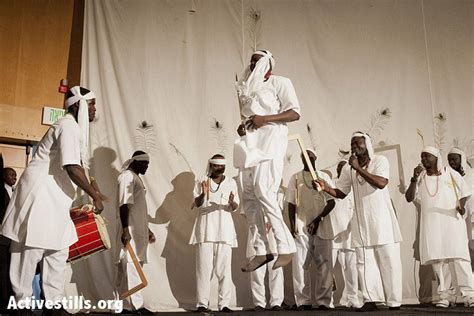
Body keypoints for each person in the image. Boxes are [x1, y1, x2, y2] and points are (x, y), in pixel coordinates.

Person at [0, 86, 104, 313]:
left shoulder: (74, 128)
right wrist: (94, 195)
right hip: (40, 195)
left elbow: (81, 166)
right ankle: (21, 304)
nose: (95, 109)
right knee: (30, 251)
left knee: (58, 251)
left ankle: (54, 304)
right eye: (92, 104)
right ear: (78, 105)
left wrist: (94, 188)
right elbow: (71, 166)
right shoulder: (67, 125)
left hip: (56, 198)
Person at [314, 131, 402, 311]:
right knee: (363, 261)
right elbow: (341, 192)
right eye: (352, 144)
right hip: (361, 222)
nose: (354, 147)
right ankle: (370, 299)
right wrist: (326, 188)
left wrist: (358, 168)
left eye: (358, 143)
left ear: (367, 144)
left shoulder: (380, 161)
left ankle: (394, 301)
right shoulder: (348, 168)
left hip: (381, 220)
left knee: (388, 261)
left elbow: (381, 183)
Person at [234, 50, 300, 272]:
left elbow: (294, 113)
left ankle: (285, 246)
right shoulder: (246, 86)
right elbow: (249, 117)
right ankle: (261, 250)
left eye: (258, 60)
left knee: (264, 189)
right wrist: (246, 126)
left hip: (271, 139)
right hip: (250, 141)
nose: (253, 64)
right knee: (249, 195)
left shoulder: (280, 82)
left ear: (269, 64)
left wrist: (265, 119)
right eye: (251, 61)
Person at [406, 146, 474, 307]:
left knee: (459, 258)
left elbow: (465, 191)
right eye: (422, 157)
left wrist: (461, 205)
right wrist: (413, 178)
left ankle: (469, 296)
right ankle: (445, 296)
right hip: (432, 225)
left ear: (437, 158)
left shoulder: (450, 173)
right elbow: (409, 197)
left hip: (452, 222)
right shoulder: (421, 176)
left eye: (427, 156)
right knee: (439, 260)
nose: (423, 159)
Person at [286, 149, 335, 310]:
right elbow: (291, 203)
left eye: (311, 156)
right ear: (301, 159)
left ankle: (324, 302)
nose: (307, 158)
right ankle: (303, 301)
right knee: (300, 265)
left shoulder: (324, 177)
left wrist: (318, 219)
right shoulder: (295, 177)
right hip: (302, 227)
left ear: (315, 158)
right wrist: (292, 225)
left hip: (323, 225)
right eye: (304, 156)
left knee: (325, 265)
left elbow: (331, 201)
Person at [190, 154, 239, 313]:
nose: (220, 168)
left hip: (224, 231)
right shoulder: (201, 180)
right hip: (205, 230)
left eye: (222, 166)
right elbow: (196, 204)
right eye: (217, 166)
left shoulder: (231, 182)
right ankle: (202, 304)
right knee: (203, 270)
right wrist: (203, 194)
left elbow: (234, 207)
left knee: (225, 270)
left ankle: (224, 304)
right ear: (211, 165)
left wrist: (232, 203)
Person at [116, 150, 155, 313]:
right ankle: (136, 306)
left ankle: (125, 307)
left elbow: (138, 208)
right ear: (134, 161)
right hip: (129, 229)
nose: (146, 166)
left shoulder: (135, 177)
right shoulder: (127, 177)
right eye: (144, 163)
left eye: (148, 164)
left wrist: (147, 229)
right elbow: (124, 204)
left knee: (130, 269)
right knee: (132, 269)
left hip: (137, 230)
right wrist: (125, 229)